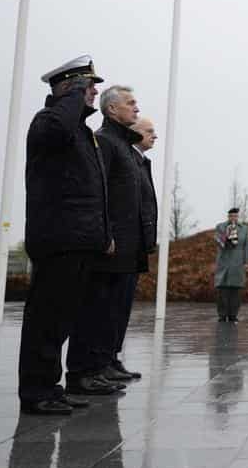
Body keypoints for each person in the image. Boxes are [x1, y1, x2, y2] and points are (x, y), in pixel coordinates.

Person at [18, 55, 115, 414]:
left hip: (80, 241)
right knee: (45, 321)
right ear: (68, 89)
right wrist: (72, 97)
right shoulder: (48, 123)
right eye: (87, 86)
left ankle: (49, 386)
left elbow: (95, 191)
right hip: (58, 240)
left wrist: (103, 233)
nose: (94, 92)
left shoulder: (81, 133)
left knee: (60, 321)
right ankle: (36, 391)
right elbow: (58, 127)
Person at [67, 85, 144, 391]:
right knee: (94, 310)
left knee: (110, 311)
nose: (136, 108)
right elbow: (99, 194)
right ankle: (83, 372)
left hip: (125, 245)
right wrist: (105, 234)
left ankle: (100, 365)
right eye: (131, 103)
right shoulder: (105, 142)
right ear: (112, 109)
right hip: (109, 245)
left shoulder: (122, 144)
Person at [110, 116, 157, 380]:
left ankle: (110, 357)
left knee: (122, 306)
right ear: (133, 133)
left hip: (134, 245)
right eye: (149, 131)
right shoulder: (124, 155)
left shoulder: (139, 160)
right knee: (110, 306)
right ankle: (101, 361)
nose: (155, 135)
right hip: (121, 244)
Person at [214, 208, 248, 322]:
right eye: (231, 216)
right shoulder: (221, 227)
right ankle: (222, 315)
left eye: (235, 216)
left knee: (236, 291)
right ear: (228, 217)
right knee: (222, 291)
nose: (233, 218)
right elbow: (218, 241)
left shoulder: (244, 228)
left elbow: (247, 245)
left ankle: (233, 315)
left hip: (238, 263)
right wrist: (227, 235)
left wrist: (246, 261)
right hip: (224, 263)